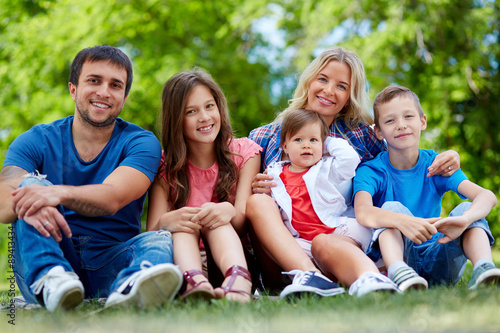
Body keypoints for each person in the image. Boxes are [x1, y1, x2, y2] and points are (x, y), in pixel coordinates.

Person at [246, 47, 461, 297]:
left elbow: (403, 156)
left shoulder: (359, 136)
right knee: (258, 202)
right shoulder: (264, 136)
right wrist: (255, 186)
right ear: (309, 81)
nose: (328, 91)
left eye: (341, 86)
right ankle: (308, 276)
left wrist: (446, 157)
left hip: (338, 242)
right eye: (323, 79)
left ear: (349, 95)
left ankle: (366, 277)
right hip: (285, 254)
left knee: (326, 242)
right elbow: (236, 196)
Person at [0, 45, 182, 311]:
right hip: (48, 249)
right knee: (29, 187)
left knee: (160, 239)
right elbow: (4, 202)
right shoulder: (35, 140)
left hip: (111, 258)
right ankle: (52, 276)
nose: (104, 92)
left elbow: (113, 197)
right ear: (73, 89)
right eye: (94, 80)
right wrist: (31, 196)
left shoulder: (141, 143)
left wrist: (58, 193)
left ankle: (131, 287)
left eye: (115, 85)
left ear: (124, 96)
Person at [352, 85, 499, 290]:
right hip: (402, 256)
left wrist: (464, 220)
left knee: (468, 209)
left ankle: (484, 268)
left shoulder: (436, 165)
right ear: (378, 131)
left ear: (422, 122)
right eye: (390, 120)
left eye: (408, 116)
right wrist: (405, 222)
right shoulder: (372, 170)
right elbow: (363, 211)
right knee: (390, 208)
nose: (401, 125)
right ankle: (399, 273)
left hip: (440, 253)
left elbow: (487, 196)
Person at [146, 69, 261, 302]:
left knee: (215, 217)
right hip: (183, 259)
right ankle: (194, 282)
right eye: (191, 111)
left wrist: (229, 211)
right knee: (183, 224)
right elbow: (151, 233)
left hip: (229, 258)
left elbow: (241, 225)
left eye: (209, 106)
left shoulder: (244, 153)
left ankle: (239, 281)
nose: (205, 117)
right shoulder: (164, 166)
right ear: (176, 119)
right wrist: (171, 219)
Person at [263, 108, 399, 299]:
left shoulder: (327, 169)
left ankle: (371, 278)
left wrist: (326, 141)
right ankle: (326, 283)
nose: (306, 146)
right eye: (298, 140)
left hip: (338, 229)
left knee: (326, 244)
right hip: (302, 240)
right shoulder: (274, 175)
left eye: (313, 140)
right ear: (284, 146)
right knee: (289, 252)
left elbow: (350, 159)